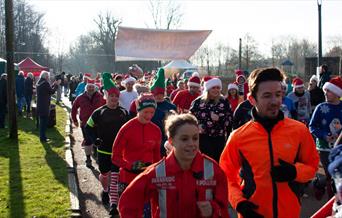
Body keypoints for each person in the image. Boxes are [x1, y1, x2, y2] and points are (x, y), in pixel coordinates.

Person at [219, 67, 319, 218]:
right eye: (267, 96)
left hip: (289, 213)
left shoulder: (299, 131)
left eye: (278, 95)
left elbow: (312, 166)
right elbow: (226, 176)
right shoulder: (238, 137)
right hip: (253, 214)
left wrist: (294, 172)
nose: (274, 101)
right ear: (252, 99)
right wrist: (239, 203)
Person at [118, 113, 230, 218]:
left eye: (195, 138)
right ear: (171, 141)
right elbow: (127, 203)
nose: (191, 143)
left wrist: (212, 210)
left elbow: (224, 209)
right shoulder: (157, 172)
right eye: (184, 139)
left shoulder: (213, 169)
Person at [109, 93, 161, 217]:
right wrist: (130, 165)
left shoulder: (156, 130)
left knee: (147, 213)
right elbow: (115, 157)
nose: (149, 116)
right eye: (145, 112)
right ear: (138, 110)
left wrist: (157, 171)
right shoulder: (126, 128)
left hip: (147, 179)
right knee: (128, 213)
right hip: (127, 178)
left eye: (152, 112)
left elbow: (157, 156)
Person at [85, 72, 129, 205]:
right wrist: (94, 140)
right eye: (111, 96)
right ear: (106, 96)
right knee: (105, 175)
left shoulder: (124, 112)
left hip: (119, 151)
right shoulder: (99, 112)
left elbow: (129, 130)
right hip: (103, 150)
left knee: (116, 176)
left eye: (116, 96)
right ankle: (105, 189)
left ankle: (114, 199)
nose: (114, 98)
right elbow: (88, 127)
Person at [309, 76, 342, 199]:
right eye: (325, 91)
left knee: (337, 175)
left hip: (339, 148)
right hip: (324, 148)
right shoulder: (320, 107)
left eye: (329, 91)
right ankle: (329, 197)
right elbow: (312, 126)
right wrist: (323, 135)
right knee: (330, 175)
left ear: (337, 93)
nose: (326, 93)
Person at [190, 76, 233, 162]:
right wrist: (197, 126)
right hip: (203, 137)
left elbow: (230, 119)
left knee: (218, 160)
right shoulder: (198, 102)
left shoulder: (224, 102)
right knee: (207, 160)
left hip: (219, 137)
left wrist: (219, 119)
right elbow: (190, 117)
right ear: (208, 89)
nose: (216, 90)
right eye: (213, 88)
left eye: (218, 88)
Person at [71, 80, 105, 167]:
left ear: (95, 87)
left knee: (98, 140)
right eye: (89, 87)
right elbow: (74, 108)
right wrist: (74, 120)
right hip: (85, 123)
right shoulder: (80, 97)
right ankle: (88, 159)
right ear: (86, 88)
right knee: (88, 141)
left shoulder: (100, 96)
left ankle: (98, 156)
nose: (91, 88)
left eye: (92, 87)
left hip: (98, 123)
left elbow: (105, 107)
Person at [149, 68, 177, 156]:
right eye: (156, 94)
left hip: (167, 140)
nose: (159, 96)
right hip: (151, 140)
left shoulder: (171, 106)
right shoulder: (148, 107)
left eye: (161, 94)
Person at [36, 71, 60, 142]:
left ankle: (42, 137)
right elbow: (52, 92)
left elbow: (48, 90)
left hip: (40, 104)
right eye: (48, 76)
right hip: (44, 105)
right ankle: (43, 138)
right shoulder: (45, 83)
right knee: (44, 122)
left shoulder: (39, 82)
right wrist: (56, 85)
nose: (49, 77)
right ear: (46, 77)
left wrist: (53, 84)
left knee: (42, 122)